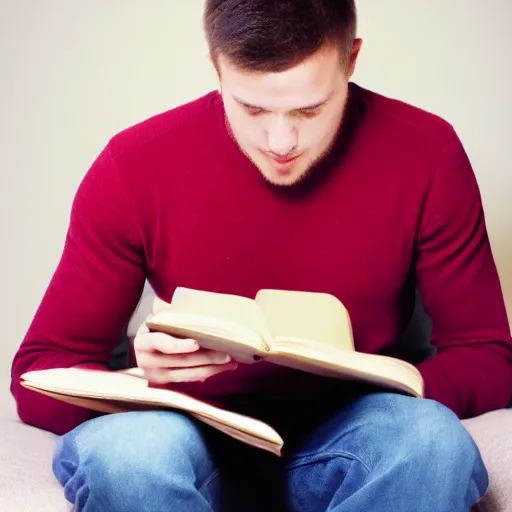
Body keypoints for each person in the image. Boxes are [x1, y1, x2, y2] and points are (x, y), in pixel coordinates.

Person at [10, 1, 512, 510]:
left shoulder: (426, 153)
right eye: (252, 108)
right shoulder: (133, 166)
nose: (281, 142)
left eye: (310, 108)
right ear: (216, 66)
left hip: (358, 431)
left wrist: (400, 382)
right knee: (129, 455)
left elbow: (489, 357)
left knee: (429, 444)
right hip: (187, 433)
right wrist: (138, 380)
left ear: (351, 59)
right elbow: (37, 374)